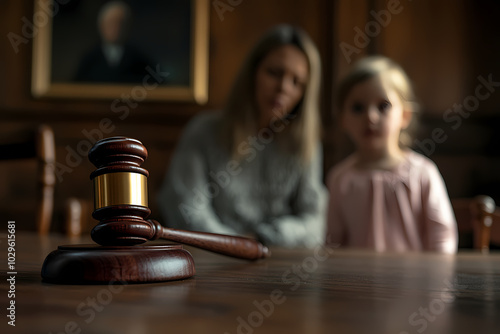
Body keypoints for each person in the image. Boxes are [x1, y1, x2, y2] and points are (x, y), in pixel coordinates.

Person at [158, 25, 327, 248]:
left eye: (297, 82)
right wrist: (236, 247)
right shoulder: (203, 131)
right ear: (252, 73)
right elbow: (185, 209)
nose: (283, 88)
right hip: (212, 263)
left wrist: (264, 239)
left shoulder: (306, 144)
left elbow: (314, 224)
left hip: (280, 266)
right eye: (274, 73)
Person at [325, 56, 458, 254]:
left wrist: (437, 279)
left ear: (405, 115)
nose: (370, 116)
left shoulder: (423, 173)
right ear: (343, 119)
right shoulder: (340, 178)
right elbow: (333, 243)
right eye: (357, 107)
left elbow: (442, 237)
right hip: (356, 284)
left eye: (383, 106)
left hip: (415, 283)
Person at [74, 1, 154, 83]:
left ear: (127, 26)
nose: (115, 28)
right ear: (101, 26)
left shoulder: (138, 58)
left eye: (120, 23)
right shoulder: (90, 58)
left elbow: (157, 82)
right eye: (111, 23)